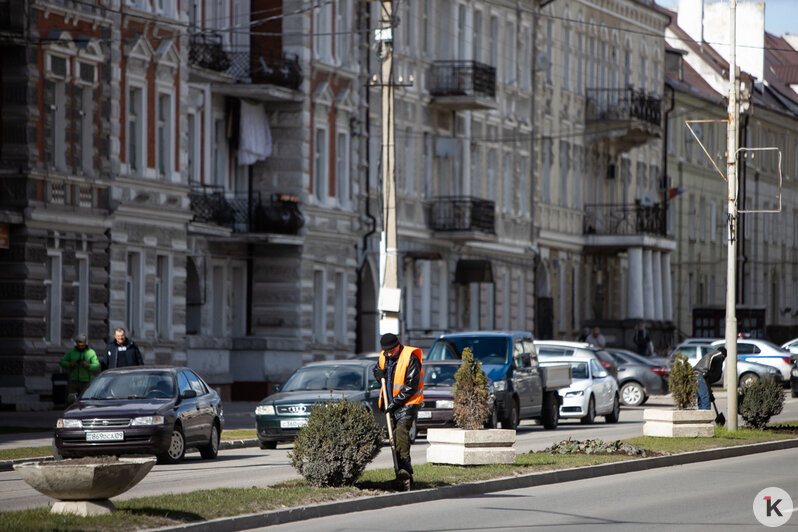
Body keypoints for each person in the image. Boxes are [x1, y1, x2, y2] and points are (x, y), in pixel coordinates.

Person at [372, 333, 424, 491]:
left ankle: (405, 471)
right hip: (391, 404)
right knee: (393, 437)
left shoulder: (410, 357)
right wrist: (378, 374)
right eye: (386, 351)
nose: (389, 354)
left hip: (408, 403)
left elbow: (411, 386)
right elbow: (377, 369)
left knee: (401, 433)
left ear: (398, 346)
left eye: (391, 351)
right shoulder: (383, 357)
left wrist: (395, 402)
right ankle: (401, 474)